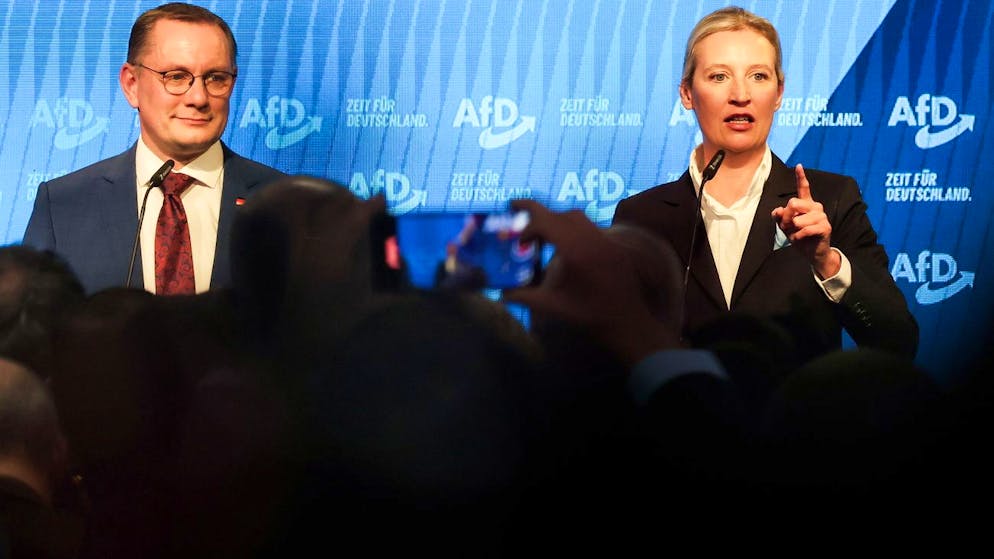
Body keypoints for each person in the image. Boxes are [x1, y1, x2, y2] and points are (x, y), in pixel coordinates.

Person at [612, 6, 918, 364]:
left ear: (779, 93)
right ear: (687, 93)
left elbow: (898, 341)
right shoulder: (641, 217)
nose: (741, 94)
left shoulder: (831, 200)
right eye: (719, 76)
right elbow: (610, 357)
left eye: (758, 76)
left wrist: (827, 262)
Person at [22, 2, 285, 295]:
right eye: (176, 77)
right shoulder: (63, 204)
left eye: (216, 78)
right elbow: (31, 320)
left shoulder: (286, 204)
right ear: (131, 84)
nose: (198, 98)